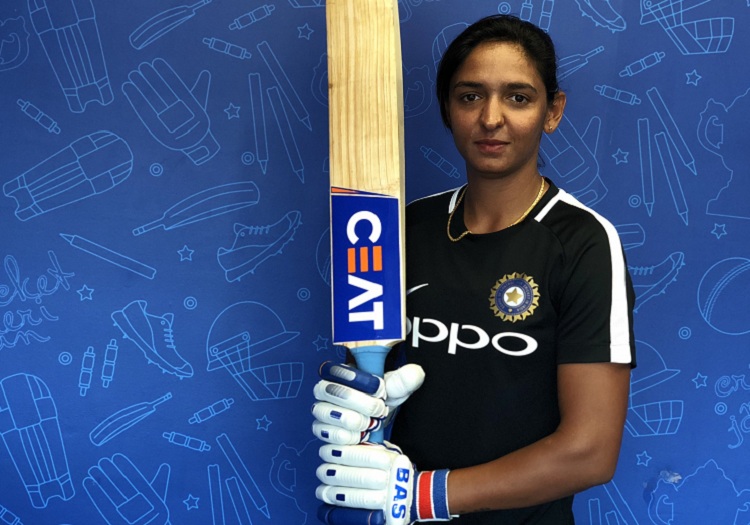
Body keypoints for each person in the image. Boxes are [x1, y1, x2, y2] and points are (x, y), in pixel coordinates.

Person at [312, 14, 636, 525]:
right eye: (470, 96)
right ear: (447, 108)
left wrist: (423, 496)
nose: (491, 118)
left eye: (518, 97)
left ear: (553, 111)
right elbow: (372, 376)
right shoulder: (401, 228)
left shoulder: (583, 243)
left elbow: (589, 451)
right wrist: (360, 411)